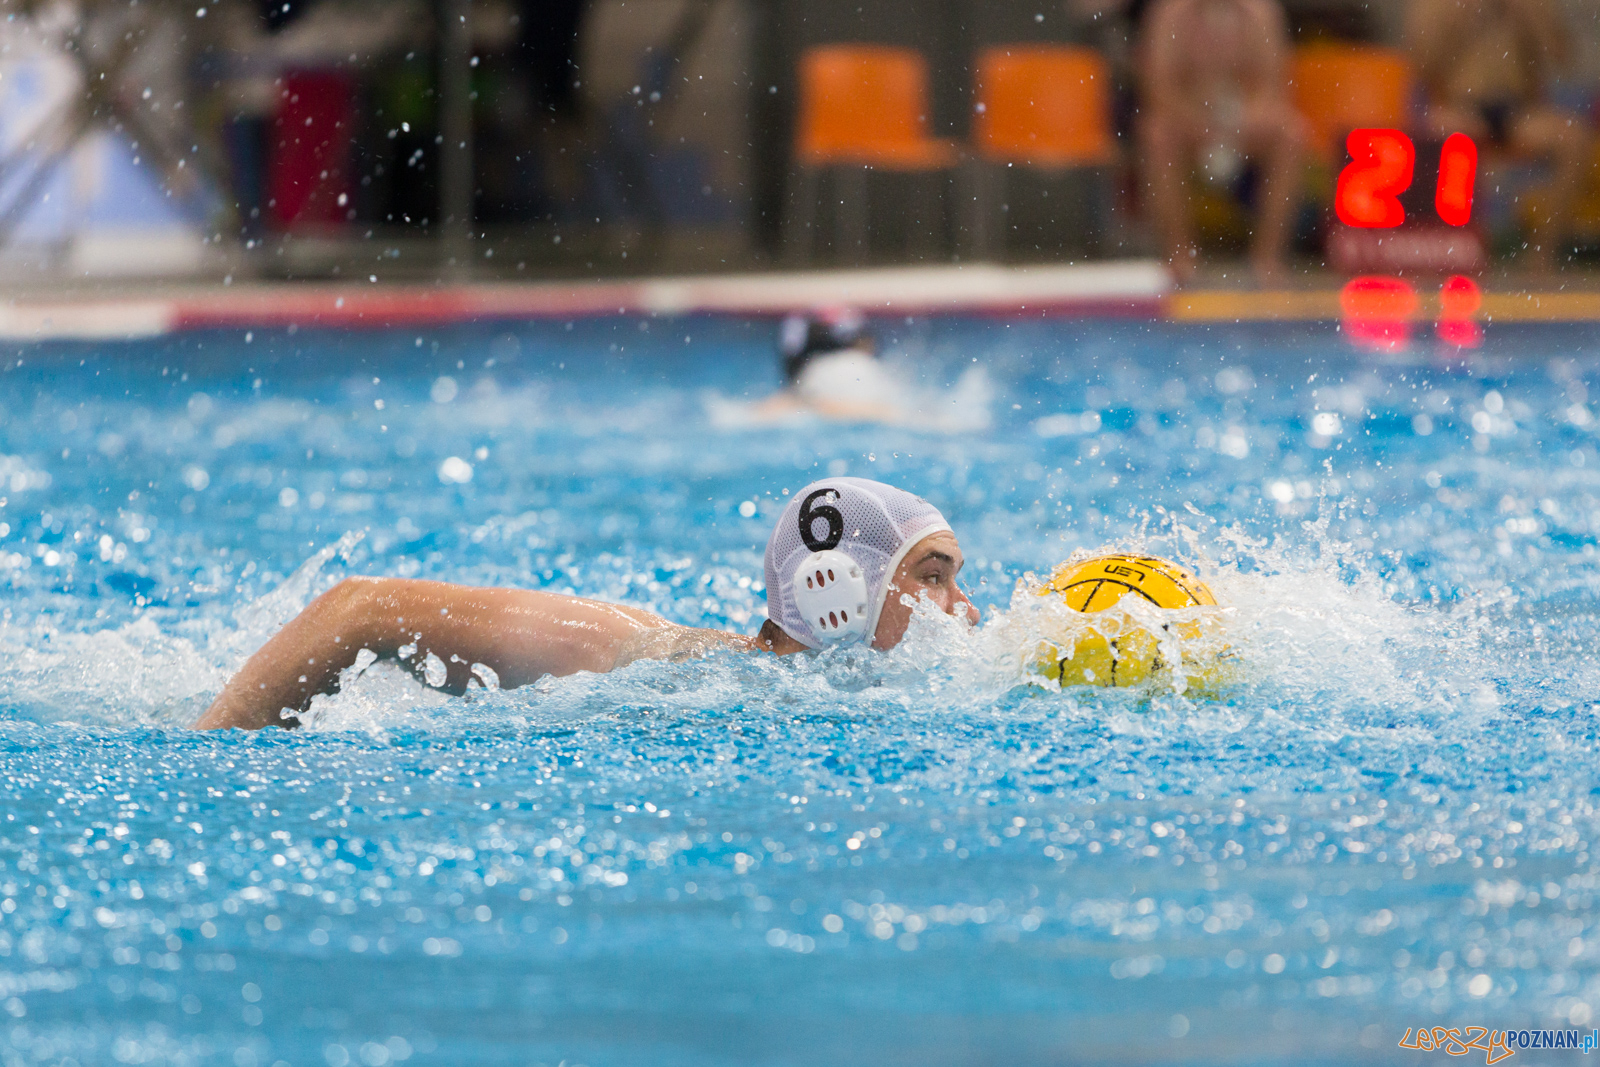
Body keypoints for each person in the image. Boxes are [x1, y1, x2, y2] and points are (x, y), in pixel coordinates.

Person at [195, 478, 978, 730]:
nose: (964, 608)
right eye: (934, 575)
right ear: (835, 589)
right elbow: (358, 608)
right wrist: (207, 752)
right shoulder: (635, 654)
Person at [1407, 0, 1591, 273]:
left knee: (1575, 140)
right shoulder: (1436, 6)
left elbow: (1563, 58)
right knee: (1437, 129)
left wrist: (1529, 16)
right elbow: (1421, 66)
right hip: (1461, 106)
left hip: (1518, 112)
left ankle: (1542, 252)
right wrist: (1457, 19)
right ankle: (1450, 250)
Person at [1137, 0, 1307, 284]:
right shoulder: (1170, 14)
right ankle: (1180, 255)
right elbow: (1158, 86)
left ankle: (1267, 258)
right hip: (1189, 121)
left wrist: (1236, 122)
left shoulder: (1261, 12)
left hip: (1246, 122)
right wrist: (1199, 121)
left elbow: (1273, 86)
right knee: (1157, 135)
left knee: (1291, 134)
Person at [748, 309, 903, 423]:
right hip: (866, 373)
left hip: (820, 383)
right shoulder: (861, 359)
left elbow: (792, 362)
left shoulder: (800, 329)